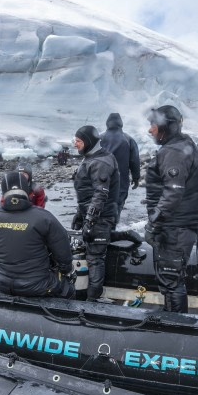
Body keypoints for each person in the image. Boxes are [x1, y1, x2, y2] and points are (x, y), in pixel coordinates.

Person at [145, 105, 198, 313]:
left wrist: (154, 224)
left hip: (175, 227)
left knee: (171, 281)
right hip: (181, 225)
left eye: (153, 124)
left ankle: (175, 329)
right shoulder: (184, 144)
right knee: (172, 279)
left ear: (165, 126)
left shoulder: (174, 151)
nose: (150, 130)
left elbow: (172, 193)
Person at [0, 171, 74, 298]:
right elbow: (63, 253)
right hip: (38, 285)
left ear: (3, 193)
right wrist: (65, 270)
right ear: (27, 191)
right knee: (68, 288)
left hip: (1, 283)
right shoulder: (44, 217)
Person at [70, 125, 119, 301]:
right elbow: (87, 193)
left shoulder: (100, 162)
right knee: (90, 254)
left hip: (101, 217)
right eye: (74, 140)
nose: (75, 144)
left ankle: (93, 301)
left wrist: (90, 221)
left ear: (89, 142)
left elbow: (100, 194)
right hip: (91, 214)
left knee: (95, 257)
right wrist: (80, 214)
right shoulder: (91, 158)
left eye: (79, 141)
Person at [100, 113, 141, 221]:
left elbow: (88, 159)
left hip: (100, 178)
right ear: (120, 123)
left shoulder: (99, 138)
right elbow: (134, 160)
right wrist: (136, 177)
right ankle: (113, 227)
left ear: (107, 123)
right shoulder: (128, 139)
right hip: (121, 180)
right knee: (117, 205)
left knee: (99, 203)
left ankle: (98, 228)